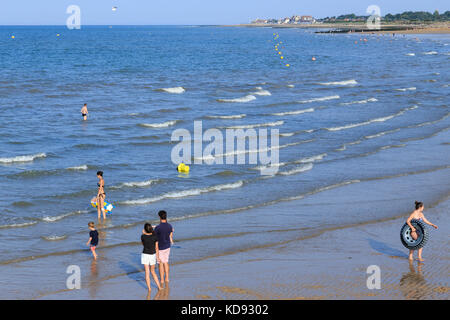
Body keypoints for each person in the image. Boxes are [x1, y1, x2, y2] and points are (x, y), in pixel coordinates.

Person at [154, 210, 174, 286]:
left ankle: (162, 279)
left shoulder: (158, 228)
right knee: (166, 262)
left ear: (159, 217)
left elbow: (155, 237)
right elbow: (171, 235)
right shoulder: (170, 226)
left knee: (160, 264)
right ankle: (167, 278)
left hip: (160, 247)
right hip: (167, 246)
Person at [141, 223, 162, 292]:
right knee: (153, 272)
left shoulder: (143, 236)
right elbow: (157, 248)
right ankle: (159, 287)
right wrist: (158, 257)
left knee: (147, 273)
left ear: (145, 230)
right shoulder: (155, 237)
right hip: (152, 255)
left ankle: (149, 289)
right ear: (151, 229)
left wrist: (147, 229)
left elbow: (143, 233)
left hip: (145, 254)